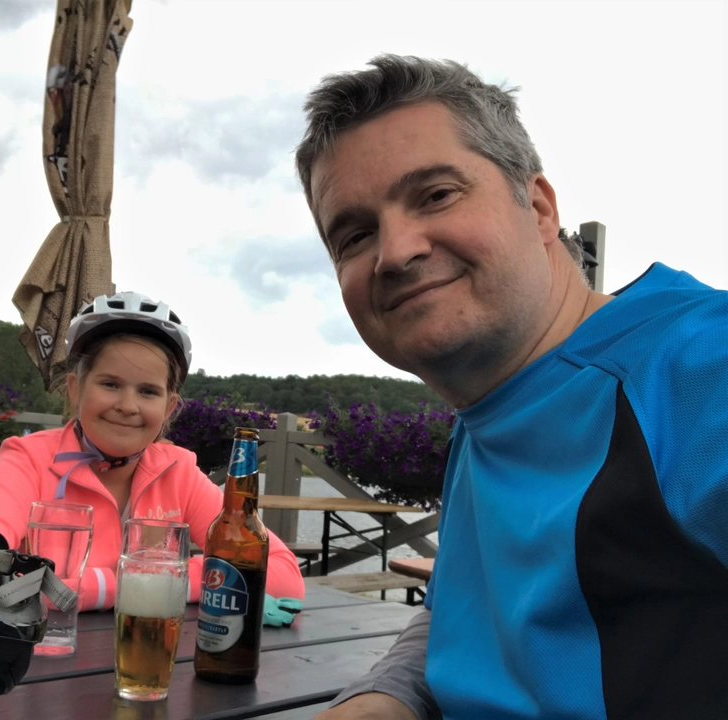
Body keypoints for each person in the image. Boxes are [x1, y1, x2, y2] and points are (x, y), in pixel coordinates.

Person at [294, 55, 728, 719]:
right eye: (355, 235)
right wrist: (385, 697)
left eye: (436, 195)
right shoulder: (491, 411)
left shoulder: (697, 369)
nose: (396, 251)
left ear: (540, 207)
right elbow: (470, 610)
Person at [0, 291, 305, 611]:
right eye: (110, 384)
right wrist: (165, 579)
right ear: (75, 388)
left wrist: (114, 585)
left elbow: (281, 573)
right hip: (45, 648)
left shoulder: (179, 472)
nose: (128, 406)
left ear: (169, 407)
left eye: (147, 391)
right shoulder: (29, 459)